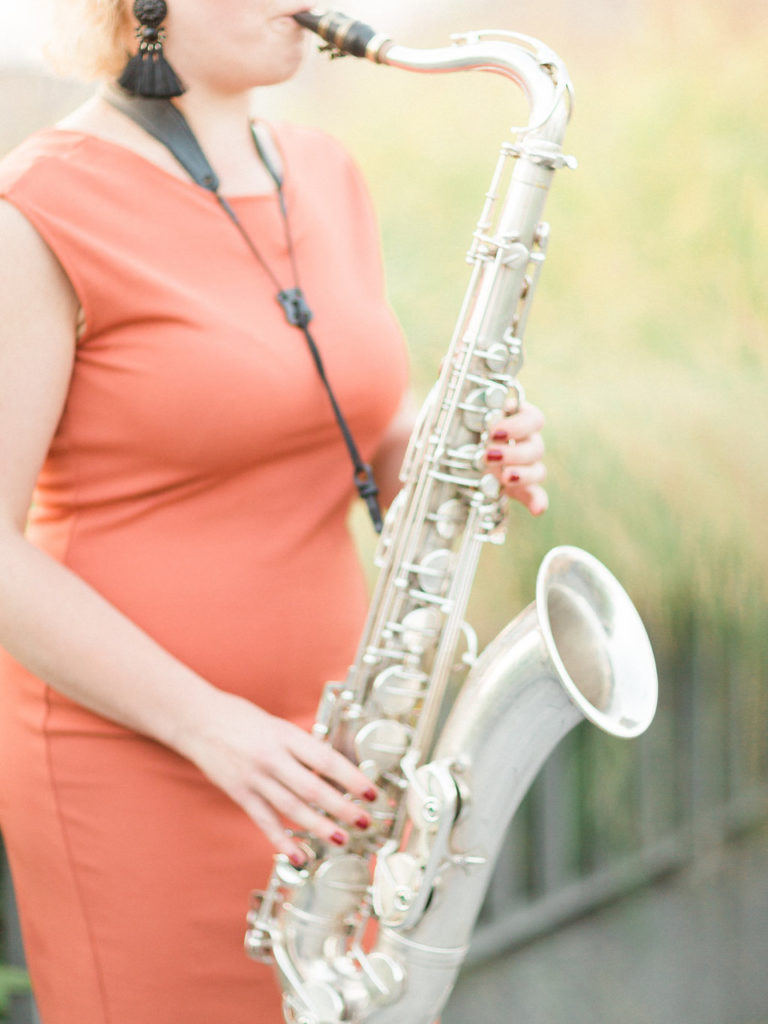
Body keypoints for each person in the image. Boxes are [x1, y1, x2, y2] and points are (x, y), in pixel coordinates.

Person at [0, 2, 548, 1022]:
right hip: (135, 758)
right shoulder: (36, 207)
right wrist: (208, 725)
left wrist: (451, 445)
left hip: (335, 756)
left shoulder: (325, 172)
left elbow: (343, 427)